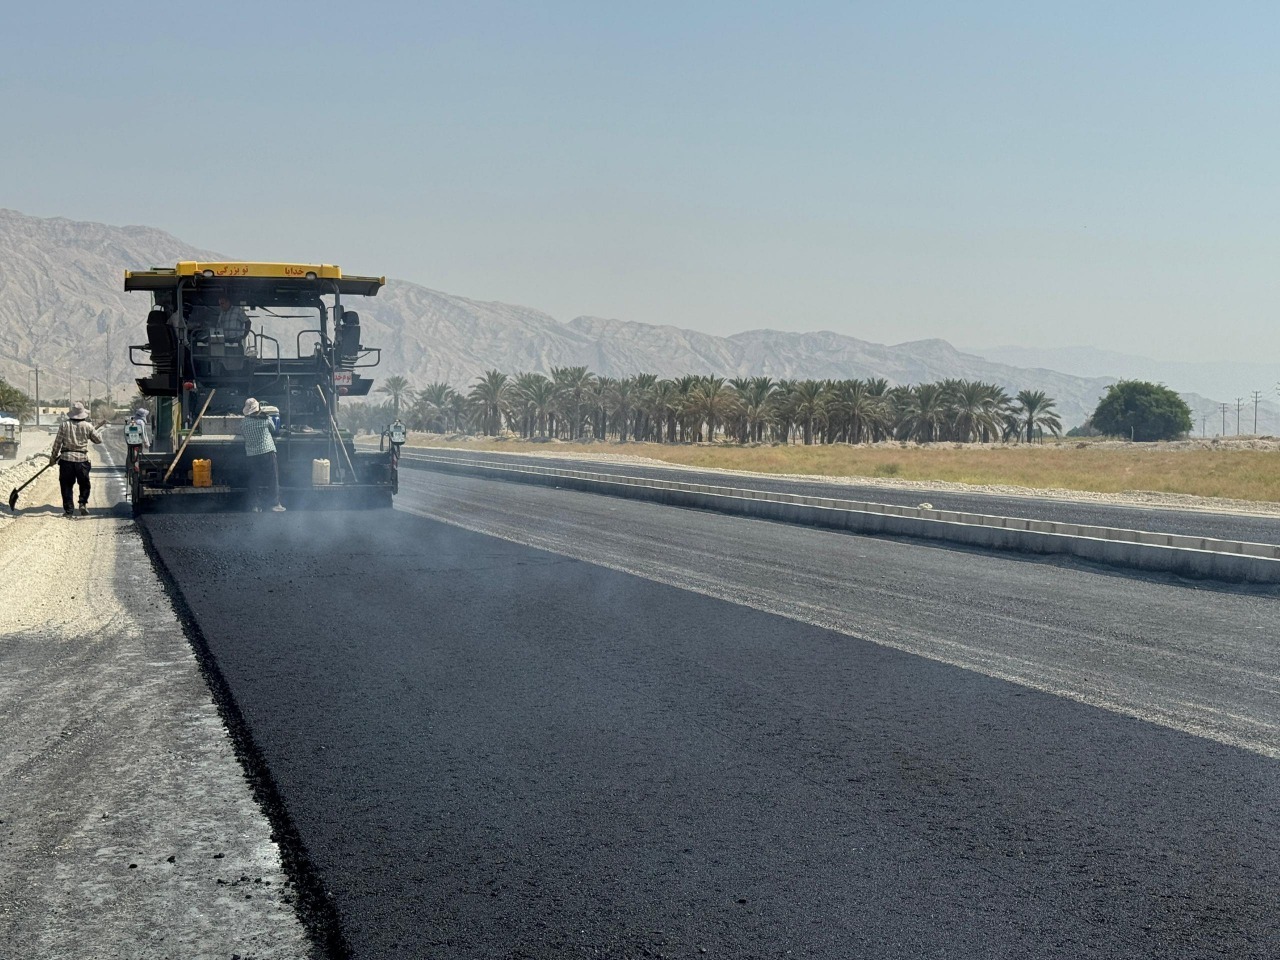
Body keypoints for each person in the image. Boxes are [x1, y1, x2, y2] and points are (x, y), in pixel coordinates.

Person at [50, 402, 103, 518]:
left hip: (66, 460)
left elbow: (57, 443)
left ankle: (69, 510)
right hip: (82, 460)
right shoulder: (88, 426)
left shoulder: (64, 425)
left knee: (66, 485)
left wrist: (53, 458)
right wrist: (95, 431)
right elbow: (98, 440)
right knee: (84, 484)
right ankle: (82, 503)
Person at [240, 397, 285, 512]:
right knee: (272, 478)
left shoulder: (243, 422)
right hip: (267, 452)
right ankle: (274, 504)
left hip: (252, 454)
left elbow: (243, 433)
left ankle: (254, 505)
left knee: (254, 480)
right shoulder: (266, 419)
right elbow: (274, 429)